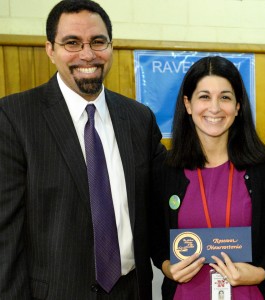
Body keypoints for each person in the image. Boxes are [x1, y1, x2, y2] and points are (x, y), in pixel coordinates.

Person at [0, 1, 165, 299]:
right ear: (50, 50)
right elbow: (6, 236)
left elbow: (160, 203)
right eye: (72, 43)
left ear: (111, 46)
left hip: (131, 290)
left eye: (98, 42)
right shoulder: (14, 118)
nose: (87, 54)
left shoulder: (139, 119)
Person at [151, 56, 265, 299]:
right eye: (204, 96)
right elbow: (153, 235)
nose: (214, 108)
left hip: (249, 294)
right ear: (188, 104)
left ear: (237, 106)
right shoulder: (165, 169)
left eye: (225, 97)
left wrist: (261, 271)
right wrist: (166, 267)